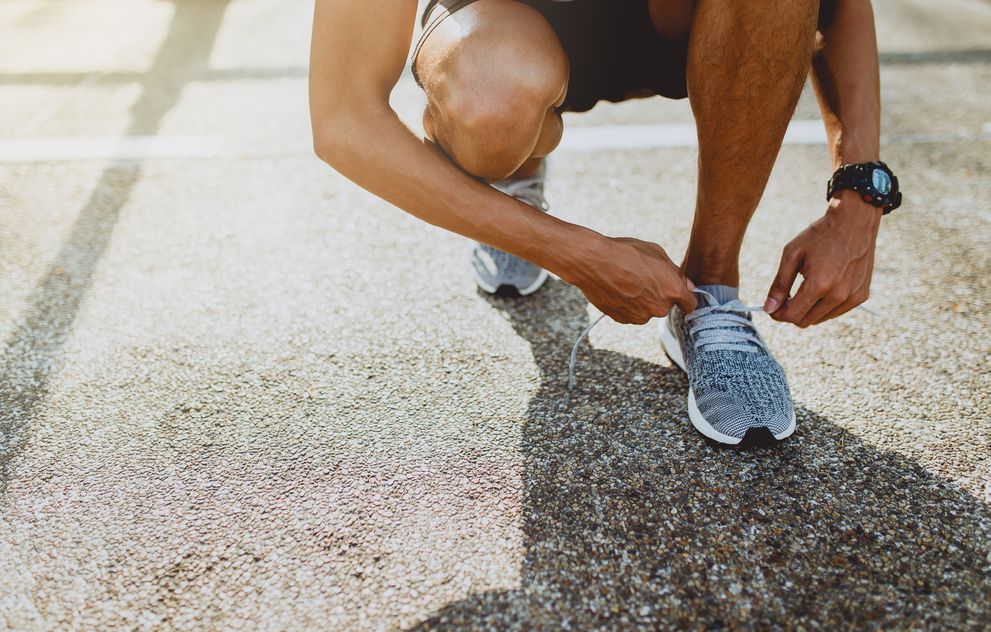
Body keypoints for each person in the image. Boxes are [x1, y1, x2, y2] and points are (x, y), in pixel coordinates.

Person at [308, 0, 902, 446]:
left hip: (689, 17)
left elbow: (838, 4)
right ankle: (511, 179)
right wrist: (570, 252)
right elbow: (344, 117)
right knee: (490, 104)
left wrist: (859, 196)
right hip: (510, 23)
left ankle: (710, 291)